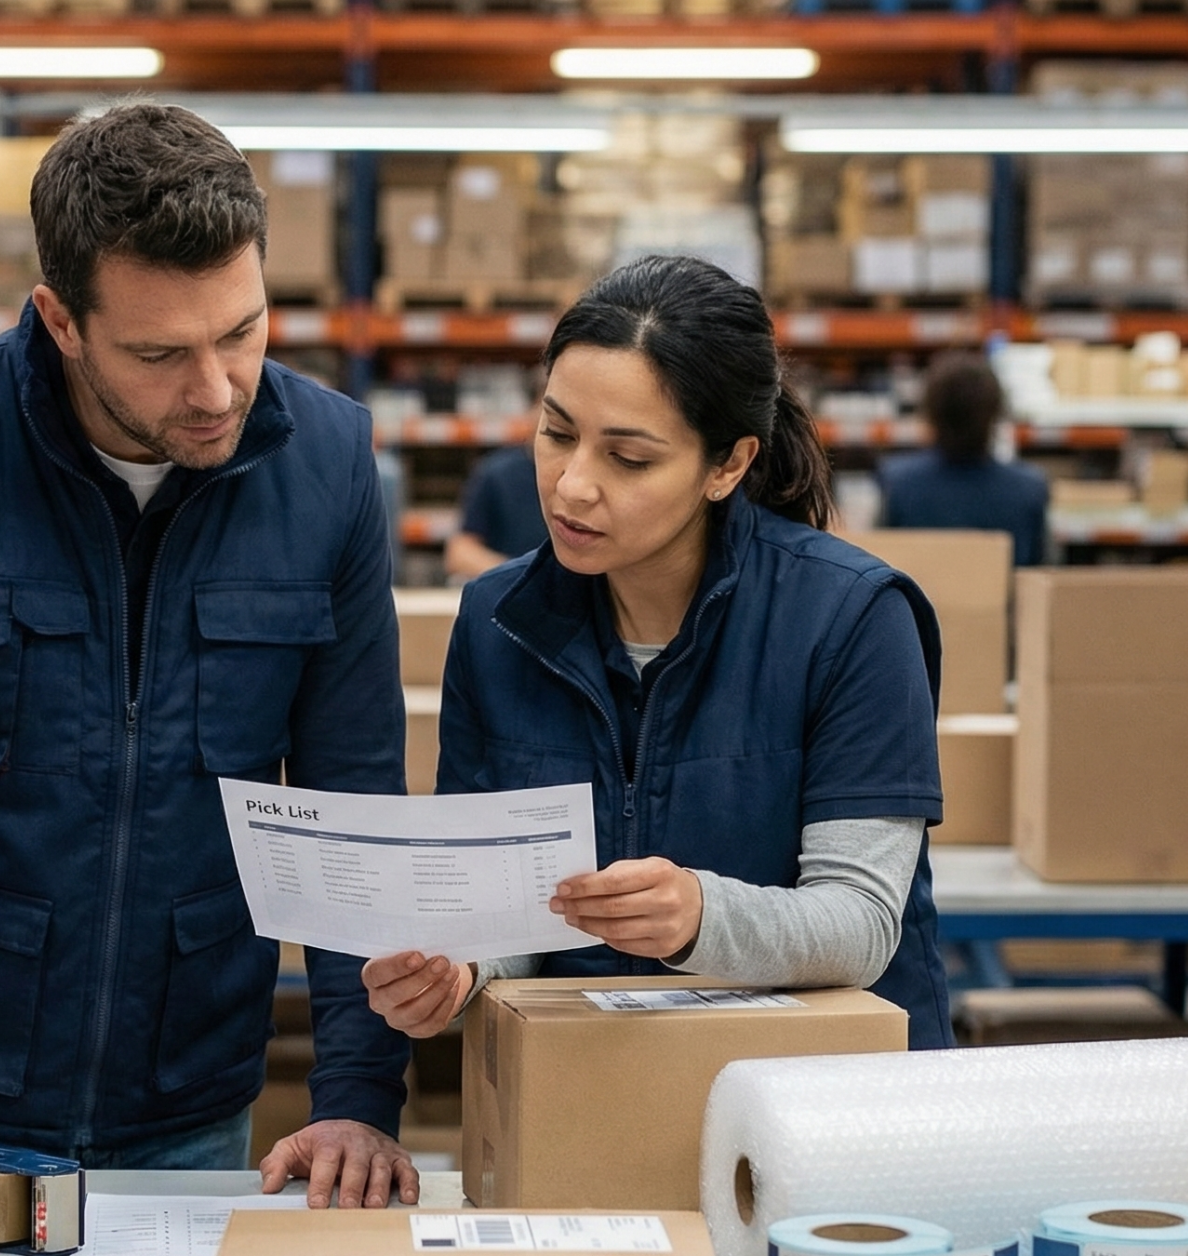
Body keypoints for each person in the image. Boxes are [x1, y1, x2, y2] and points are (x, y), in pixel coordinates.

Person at [0, 103, 418, 1240]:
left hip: (186, 1107)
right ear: (60, 318)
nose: (216, 389)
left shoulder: (328, 468)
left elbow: (348, 810)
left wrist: (355, 1096)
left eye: (241, 332)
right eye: (159, 353)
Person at [356, 256, 955, 1051]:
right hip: (597, 1092)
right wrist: (459, 972)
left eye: (627, 458)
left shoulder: (851, 617)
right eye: (556, 432)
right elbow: (499, 904)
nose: (571, 485)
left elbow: (862, 919)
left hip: (826, 1106)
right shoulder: (499, 621)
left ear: (728, 464)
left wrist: (698, 916)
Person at [878, 352, 1050, 566]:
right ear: (994, 413)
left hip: (916, 600)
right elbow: (1039, 569)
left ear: (931, 412)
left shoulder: (897, 481)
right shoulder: (1029, 488)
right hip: (1001, 599)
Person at [445, 441, 547, 579]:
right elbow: (460, 552)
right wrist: (522, 576)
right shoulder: (497, 473)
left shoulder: (578, 478)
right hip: (514, 588)